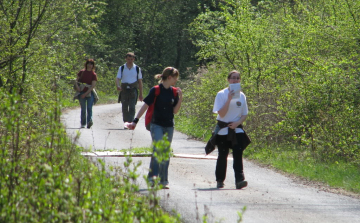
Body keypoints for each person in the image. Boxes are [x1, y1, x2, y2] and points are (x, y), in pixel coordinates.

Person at [128, 67, 182, 189]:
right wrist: (135, 121)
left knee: (165, 153)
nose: (176, 80)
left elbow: (175, 111)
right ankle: (152, 178)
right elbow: (145, 106)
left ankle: (163, 181)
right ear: (169, 77)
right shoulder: (156, 90)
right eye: (175, 77)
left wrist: (180, 98)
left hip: (169, 126)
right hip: (156, 124)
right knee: (158, 150)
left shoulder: (174, 92)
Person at [212, 70, 249, 189]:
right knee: (223, 155)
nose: (235, 80)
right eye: (233, 78)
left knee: (238, 154)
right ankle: (220, 180)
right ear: (228, 80)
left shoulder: (242, 96)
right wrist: (229, 99)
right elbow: (221, 114)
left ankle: (239, 180)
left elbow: (244, 114)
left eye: (238, 78)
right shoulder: (221, 94)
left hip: (236, 129)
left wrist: (238, 123)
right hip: (223, 129)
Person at [115, 52, 143, 128]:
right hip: (124, 90)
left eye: (131, 59)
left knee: (132, 107)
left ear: (134, 59)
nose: (129, 61)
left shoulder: (137, 68)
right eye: (128, 59)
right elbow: (117, 78)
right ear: (126, 59)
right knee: (124, 107)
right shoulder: (122, 68)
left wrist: (141, 94)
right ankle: (126, 122)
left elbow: (140, 82)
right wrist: (118, 85)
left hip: (133, 90)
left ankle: (130, 122)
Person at [74, 59, 98, 128]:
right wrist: (78, 88)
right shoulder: (81, 72)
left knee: (89, 108)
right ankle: (83, 123)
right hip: (81, 91)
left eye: (91, 64)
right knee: (83, 108)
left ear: (93, 65)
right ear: (86, 64)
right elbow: (76, 81)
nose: (90, 65)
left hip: (89, 93)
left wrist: (86, 93)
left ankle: (89, 121)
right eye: (88, 63)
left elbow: (93, 86)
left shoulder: (93, 74)